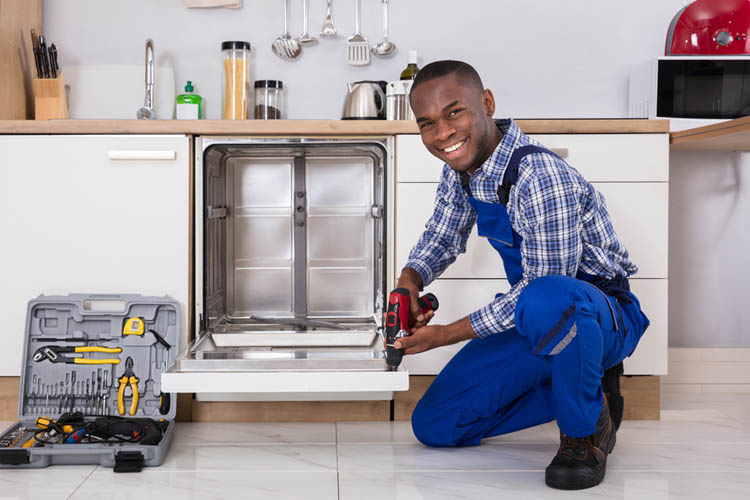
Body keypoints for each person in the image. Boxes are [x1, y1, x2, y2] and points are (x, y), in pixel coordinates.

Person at [393, 60, 649, 490]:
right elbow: (441, 236)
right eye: (427, 123)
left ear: (487, 104)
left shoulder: (540, 176)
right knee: (436, 425)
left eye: (454, 113)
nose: (442, 134)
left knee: (547, 297)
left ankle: (584, 434)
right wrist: (408, 282)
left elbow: (546, 286)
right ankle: (593, 396)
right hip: (536, 320)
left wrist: (446, 334)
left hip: (600, 317)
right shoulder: (463, 172)